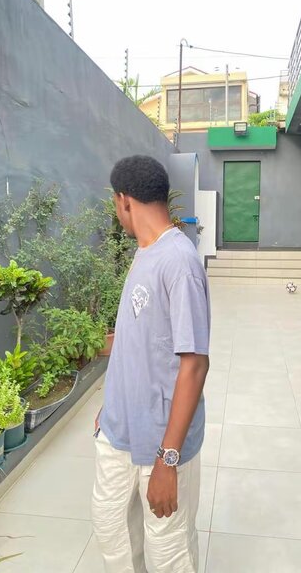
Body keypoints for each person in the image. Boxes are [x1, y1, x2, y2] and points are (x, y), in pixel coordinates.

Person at [92, 155, 210, 573]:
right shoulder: (145, 252)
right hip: (119, 432)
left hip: (161, 443)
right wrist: (111, 406)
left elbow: (194, 364)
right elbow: (139, 344)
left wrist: (168, 459)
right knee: (116, 537)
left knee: (168, 554)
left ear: (123, 201)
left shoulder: (178, 261)